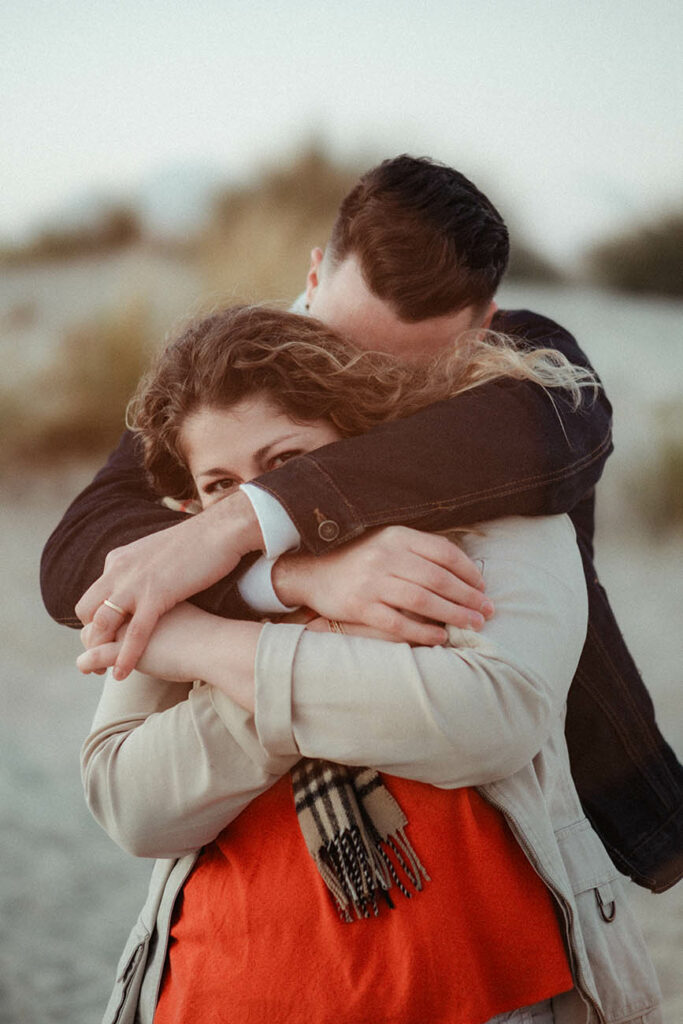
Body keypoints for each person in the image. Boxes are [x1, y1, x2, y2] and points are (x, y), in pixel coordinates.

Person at [41, 154, 682, 891]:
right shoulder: (237, 372)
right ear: (313, 278)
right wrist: (290, 573)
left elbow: (558, 433)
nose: (363, 382)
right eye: (342, 344)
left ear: (485, 323)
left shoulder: (523, 382)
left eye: (405, 372)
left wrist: (238, 527)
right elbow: (76, 557)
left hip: (512, 817)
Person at [79, 306, 662, 1024]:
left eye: (285, 463)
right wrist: (322, 631)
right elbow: (129, 804)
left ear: (352, 440)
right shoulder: (179, 573)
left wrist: (208, 651)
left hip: (489, 997)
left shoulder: (491, 513)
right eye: (220, 486)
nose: (254, 504)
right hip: (218, 996)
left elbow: (487, 718)